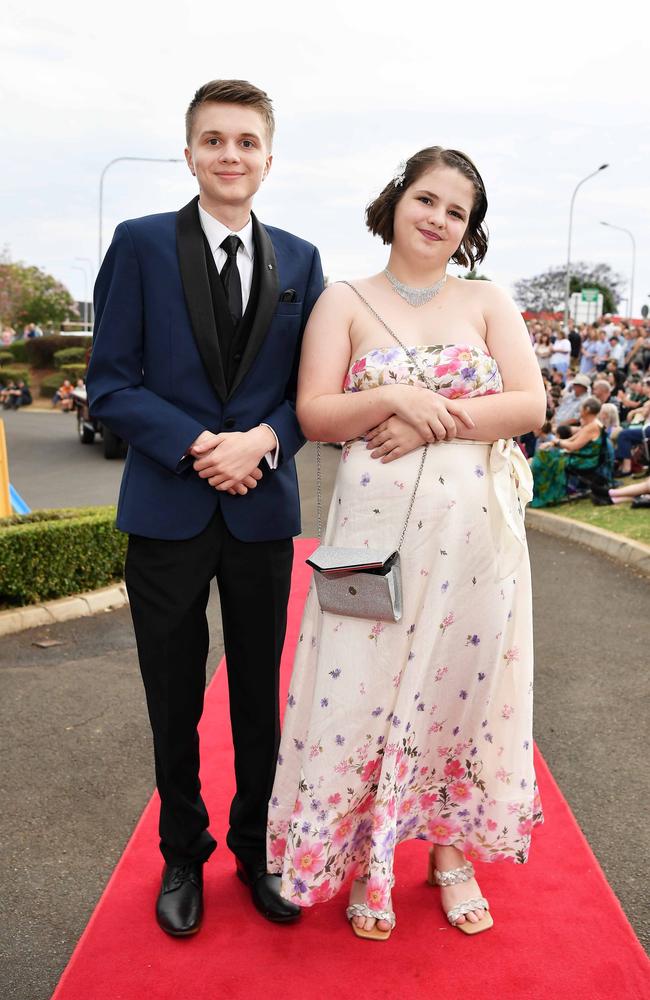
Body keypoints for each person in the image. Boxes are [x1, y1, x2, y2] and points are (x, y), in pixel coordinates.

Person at [267, 146, 546, 940]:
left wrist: (434, 415)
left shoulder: (488, 299)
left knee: (464, 687)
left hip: (478, 544)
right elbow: (318, 413)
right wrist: (389, 394)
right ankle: (366, 857)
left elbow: (527, 403)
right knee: (360, 688)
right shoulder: (343, 299)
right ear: (396, 201)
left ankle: (449, 856)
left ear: (468, 231)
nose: (437, 219)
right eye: (427, 199)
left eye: (457, 212)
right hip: (372, 541)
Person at [86, 79, 323, 937]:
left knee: (261, 697)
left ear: (268, 155)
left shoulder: (300, 259)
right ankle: (181, 853)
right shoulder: (142, 244)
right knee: (173, 696)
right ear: (189, 153)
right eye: (214, 140)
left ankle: (255, 850)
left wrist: (260, 441)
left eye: (247, 142)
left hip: (261, 512)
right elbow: (110, 382)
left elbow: (313, 395)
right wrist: (199, 446)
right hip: (167, 508)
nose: (231, 155)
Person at [530, 396, 611, 507]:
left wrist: (556, 443)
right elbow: (570, 440)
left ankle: (545, 496)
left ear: (587, 409)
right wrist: (553, 443)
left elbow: (573, 446)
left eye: (581, 407)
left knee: (543, 459)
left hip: (584, 461)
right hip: (583, 458)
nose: (579, 409)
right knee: (544, 455)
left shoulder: (592, 426)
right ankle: (539, 494)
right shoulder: (592, 424)